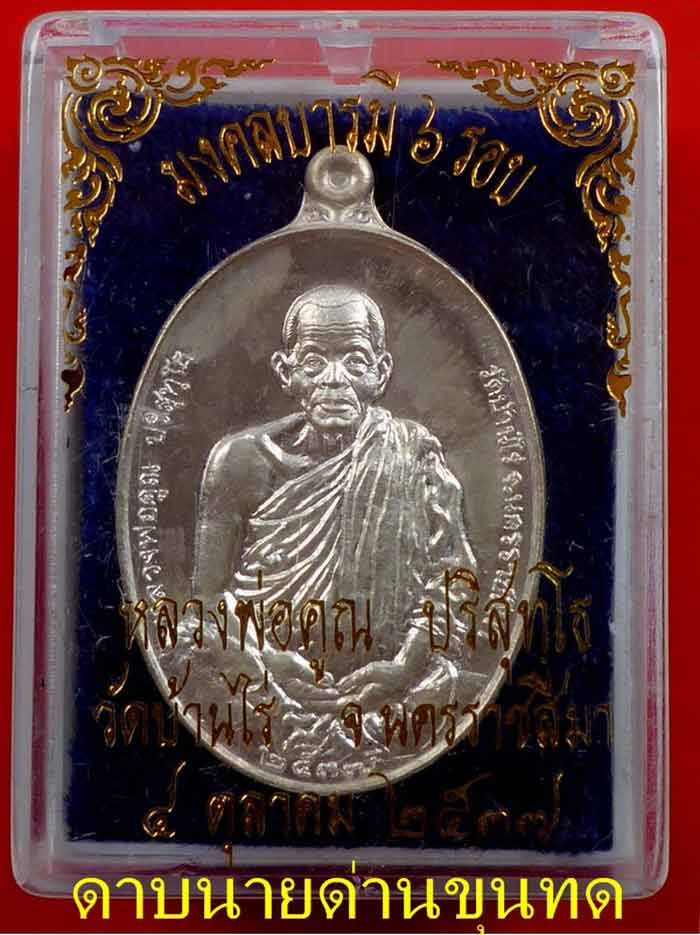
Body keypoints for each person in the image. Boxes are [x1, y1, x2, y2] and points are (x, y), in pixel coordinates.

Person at [193, 284, 477, 763]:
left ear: (380, 372)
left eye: (355, 361)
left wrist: (405, 664)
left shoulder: (412, 452)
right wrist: (262, 662)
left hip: (391, 689)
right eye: (313, 362)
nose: (334, 379)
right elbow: (203, 608)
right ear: (286, 372)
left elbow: (454, 578)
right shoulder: (238, 462)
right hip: (263, 685)